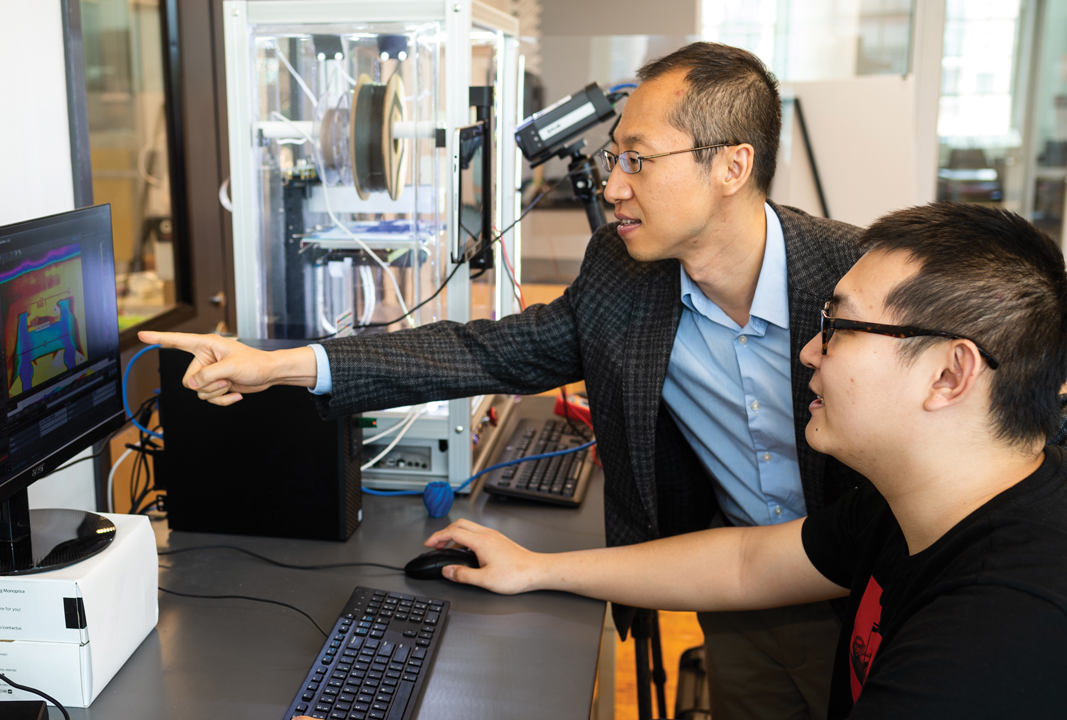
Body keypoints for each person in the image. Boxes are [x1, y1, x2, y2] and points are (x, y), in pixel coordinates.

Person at [141, 42, 864, 718]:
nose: (613, 187)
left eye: (638, 160)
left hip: (877, 597)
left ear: (731, 167)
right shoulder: (624, 273)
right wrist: (280, 367)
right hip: (734, 594)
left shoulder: (854, 280)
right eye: (615, 157)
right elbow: (483, 353)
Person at [420, 203, 1067, 718]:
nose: (809, 352)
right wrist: (536, 569)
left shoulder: (996, 635)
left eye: (839, 327)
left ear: (950, 374)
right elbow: (747, 561)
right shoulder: (913, 506)